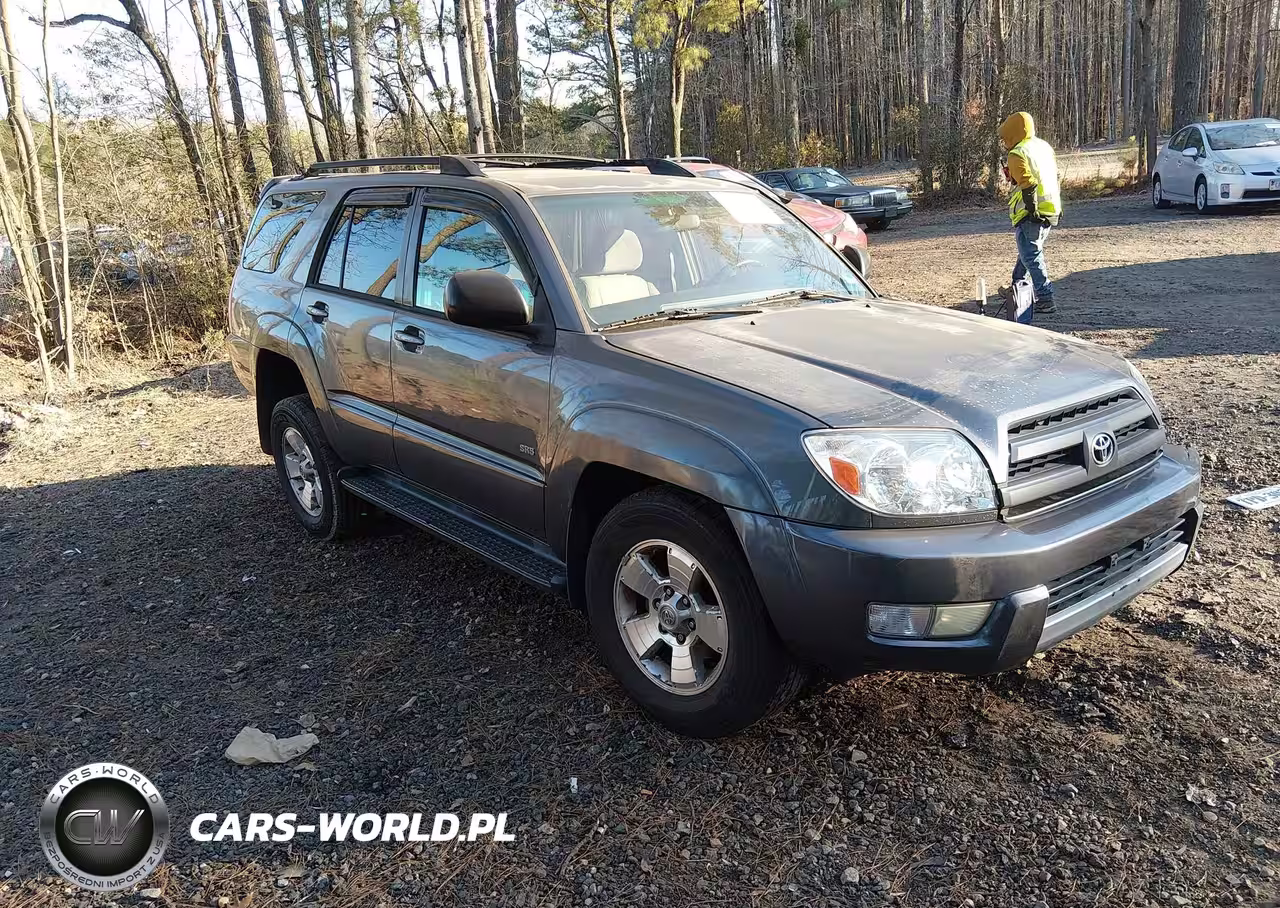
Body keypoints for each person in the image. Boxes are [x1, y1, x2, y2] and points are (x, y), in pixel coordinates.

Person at [998, 111, 1061, 315]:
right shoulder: (1043, 146)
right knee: (1026, 251)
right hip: (1050, 207)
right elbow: (1052, 175)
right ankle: (1017, 287)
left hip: (1030, 212)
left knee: (1031, 255)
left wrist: (1032, 209)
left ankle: (1045, 297)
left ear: (1012, 134)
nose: (1003, 142)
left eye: (1004, 138)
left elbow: (1028, 183)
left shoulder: (1017, 153)